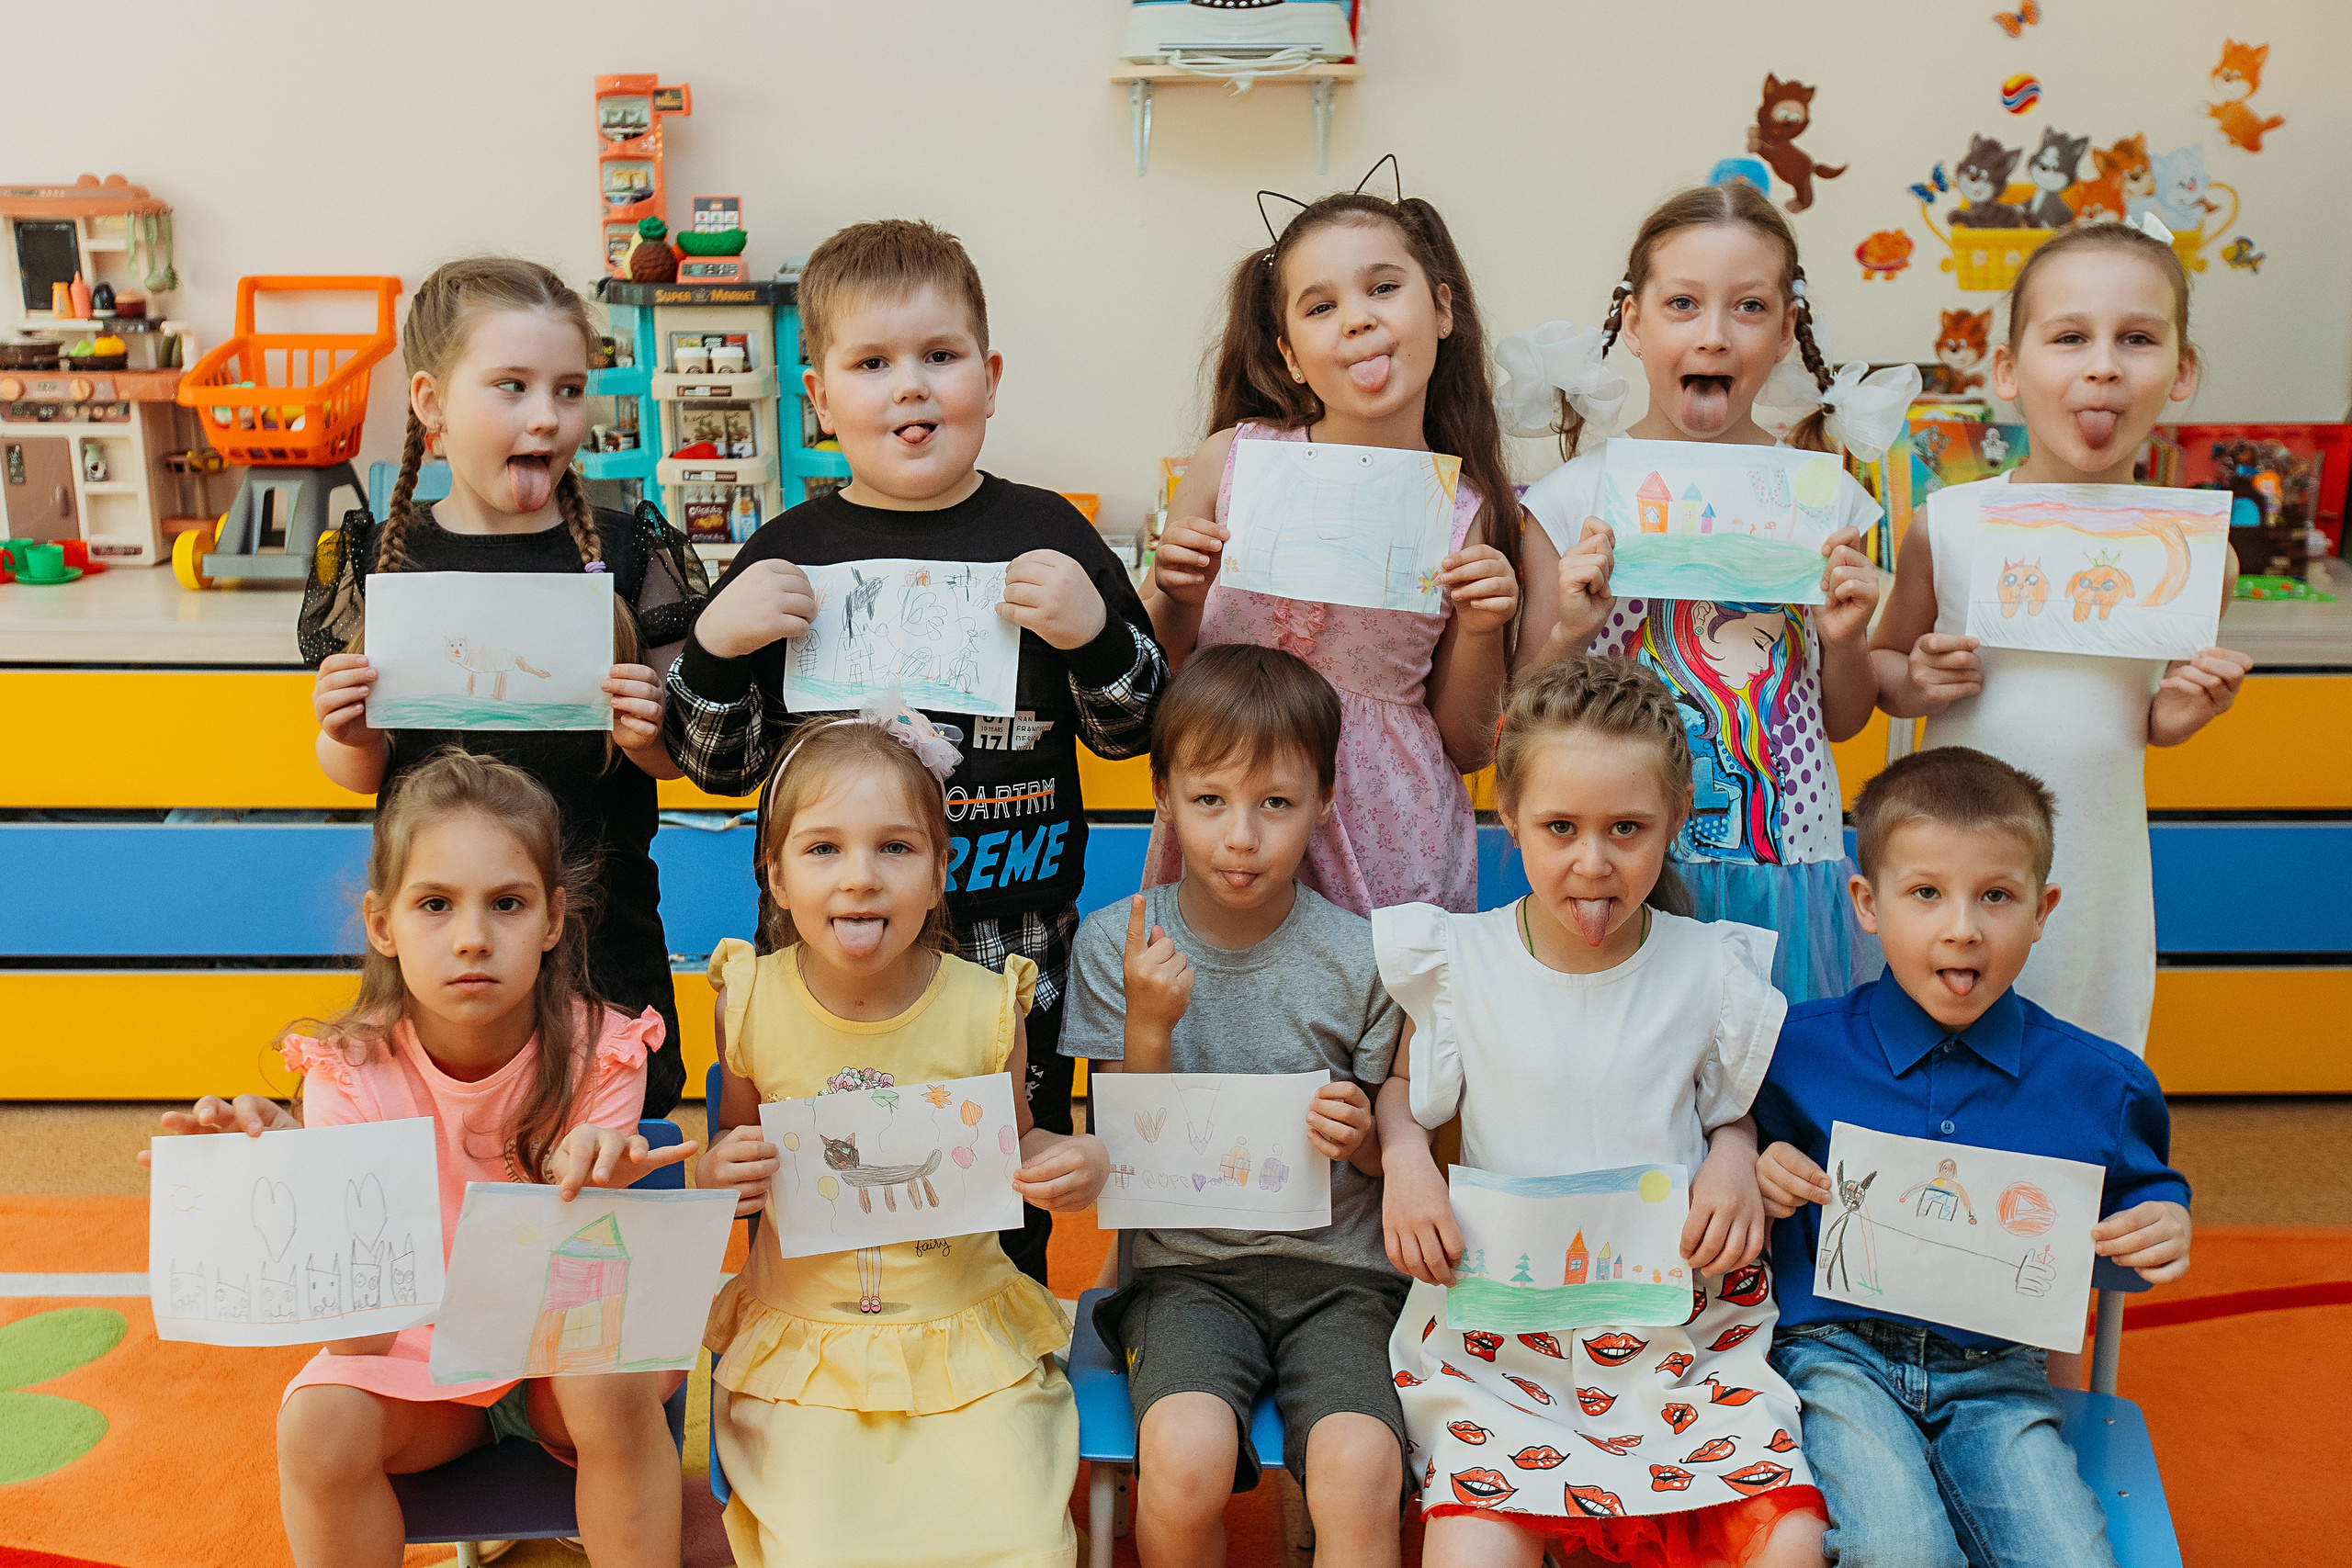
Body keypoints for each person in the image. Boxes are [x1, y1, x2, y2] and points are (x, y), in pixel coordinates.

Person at [664, 218, 1164, 1284]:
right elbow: (716, 766)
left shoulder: (1050, 536)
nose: (910, 389)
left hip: (1005, 945)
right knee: (819, 1179)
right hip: (820, 960)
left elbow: (1136, 734)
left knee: (998, 1199)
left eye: (938, 358)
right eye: (873, 363)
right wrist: (712, 643)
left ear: (987, 376)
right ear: (817, 398)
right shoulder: (783, 553)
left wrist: (1096, 632)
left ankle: (996, 1359)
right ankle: (804, 1349)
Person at [141, 750, 694, 1567]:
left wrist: (599, 1179)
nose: (473, 937)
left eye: (507, 903)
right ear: (382, 924)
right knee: (317, 1422)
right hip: (423, 1371)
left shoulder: (605, 1051)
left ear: (552, 919)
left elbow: (597, 1291)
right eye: (435, 903)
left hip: (565, 1354)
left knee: (601, 1378)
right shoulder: (347, 1073)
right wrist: (277, 1182)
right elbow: (362, 1343)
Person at [1376, 656, 1828, 1568]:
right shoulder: (1456, 959)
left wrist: (1735, 1154)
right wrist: (1404, 1161)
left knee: (1791, 1547)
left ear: (1672, 826)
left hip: (1684, 1349)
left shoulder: (1710, 968)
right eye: (1558, 827)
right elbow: (1399, 1092)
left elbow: (1726, 1109)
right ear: (1508, 820)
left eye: (1627, 828)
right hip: (1501, 1356)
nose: (1593, 861)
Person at [1753, 745, 2191, 1568]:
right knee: (1899, 1550)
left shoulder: (2104, 1085)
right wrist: (1761, 1171)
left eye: (1996, 895)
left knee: (2071, 1560)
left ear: (2042, 907)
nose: (1962, 926)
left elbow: (2136, 1220)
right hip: (1836, 1357)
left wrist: (2161, 1229)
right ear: (1867, 903)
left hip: (2000, 1373)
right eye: (1926, 892)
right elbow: (1736, 1176)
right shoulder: (1793, 1050)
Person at [693, 705, 1110, 1568]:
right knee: (824, 1550)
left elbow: (1020, 1143)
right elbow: (731, 1137)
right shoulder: (751, 998)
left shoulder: (986, 1007)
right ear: (773, 874)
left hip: (963, 1335)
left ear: (938, 871)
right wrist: (717, 1169)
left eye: (895, 847)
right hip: (804, 1347)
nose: (860, 878)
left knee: (1022, 1545)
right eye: (823, 849)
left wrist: (1079, 1161)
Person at [300, 256, 707, 1116]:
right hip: (449, 942)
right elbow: (359, 776)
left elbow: (676, 764)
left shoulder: (631, 553)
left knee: (606, 1161)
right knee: (444, 1145)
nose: (546, 416)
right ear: (432, 402)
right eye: (512, 387)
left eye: (567, 390)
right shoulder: (384, 556)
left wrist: (649, 733)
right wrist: (347, 732)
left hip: (602, 937)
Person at [1510, 182, 1913, 1003]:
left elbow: (1839, 717)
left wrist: (1844, 639)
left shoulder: (1827, 501)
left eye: (1750, 307)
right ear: (1633, 322)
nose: (1715, 335)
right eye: (1684, 304)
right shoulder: (1567, 504)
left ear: (1787, 331)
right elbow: (1517, 718)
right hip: (1619, 869)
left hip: (1784, 860)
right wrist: (1569, 635)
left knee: (1779, 1097)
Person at [1870, 219, 2252, 1054]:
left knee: (2075, 1053)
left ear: (2181, 370)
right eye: (2071, 336)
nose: (2104, 364)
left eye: (2139, 338)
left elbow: (2144, 716)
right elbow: (1882, 669)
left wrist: (2184, 714)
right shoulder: (1949, 525)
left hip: (2093, 855)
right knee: (1935, 1051)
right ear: (2007, 369)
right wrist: (1916, 678)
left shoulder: (2194, 556)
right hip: (1955, 858)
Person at [1063, 645, 1408, 1567]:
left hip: (1343, 1280)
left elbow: (1392, 1152)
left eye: (1276, 804)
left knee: (1363, 1465)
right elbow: (1121, 1166)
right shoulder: (1118, 945)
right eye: (1210, 800)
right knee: (1179, 1466)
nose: (1242, 836)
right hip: (1183, 1279)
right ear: (1164, 794)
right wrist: (1149, 1022)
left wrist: (1364, 1135)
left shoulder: (1365, 957)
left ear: (1325, 801)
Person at [1140, 164, 1524, 916]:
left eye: (1383, 288)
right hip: (1235, 809)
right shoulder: (1231, 460)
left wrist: (1485, 626)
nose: (1357, 318)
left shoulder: (1464, 510)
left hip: (1390, 837)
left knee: (1384, 1029)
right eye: (1322, 306)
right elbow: (1155, 678)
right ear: (1288, 353)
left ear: (1442, 309)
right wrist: (1175, 593)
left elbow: (1469, 744)